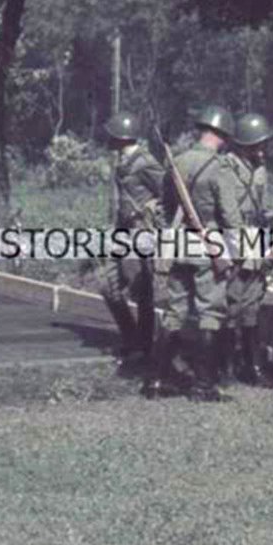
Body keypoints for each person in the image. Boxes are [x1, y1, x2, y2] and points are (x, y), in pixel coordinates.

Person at [159, 106, 243, 402]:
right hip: (209, 245)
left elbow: (167, 205)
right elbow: (230, 216)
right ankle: (203, 385)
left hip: (180, 243)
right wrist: (234, 251)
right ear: (221, 135)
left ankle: (160, 379)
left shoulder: (177, 162)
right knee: (210, 312)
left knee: (175, 311)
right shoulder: (219, 167)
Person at [99, 113, 164, 380]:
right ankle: (131, 336)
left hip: (141, 234)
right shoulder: (122, 162)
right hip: (121, 233)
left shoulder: (145, 162)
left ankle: (143, 345)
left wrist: (150, 209)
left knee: (141, 290)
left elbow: (168, 194)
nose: (108, 138)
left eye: (112, 135)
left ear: (121, 137)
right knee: (106, 285)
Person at [225, 114, 273, 387]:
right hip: (234, 241)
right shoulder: (227, 167)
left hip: (256, 240)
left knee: (252, 305)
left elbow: (265, 208)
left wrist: (272, 242)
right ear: (243, 144)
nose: (261, 149)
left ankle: (252, 365)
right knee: (229, 304)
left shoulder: (260, 170)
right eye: (256, 144)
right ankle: (224, 363)